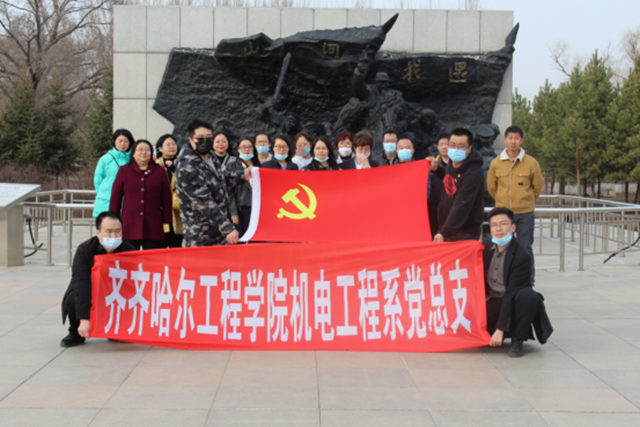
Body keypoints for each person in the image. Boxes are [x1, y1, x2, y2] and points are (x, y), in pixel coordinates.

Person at [60, 211, 136, 347]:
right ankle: (76, 332)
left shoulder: (129, 250)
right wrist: (83, 320)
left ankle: (115, 329)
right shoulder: (85, 250)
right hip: (92, 289)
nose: (113, 236)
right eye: (109, 232)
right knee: (73, 298)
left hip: (116, 292)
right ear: (98, 233)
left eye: (117, 231)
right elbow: (81, 284)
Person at [485, 207, 552, 357]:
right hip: (493, 299)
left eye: (503, 224)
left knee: (528, 296)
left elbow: (512, 293)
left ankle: (518, 339)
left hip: (512, 300)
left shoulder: (522, 255)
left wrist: (500, 329)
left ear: (513, 227)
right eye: (494, 225)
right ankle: (496, 332)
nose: (498, 229)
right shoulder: (485, 247)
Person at [176, 119, 251, 246]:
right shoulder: (187, 167)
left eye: (209, 138)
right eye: (200, 139)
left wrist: (243, 175)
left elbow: (218, 179)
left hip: (219, 231)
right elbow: (203, 202)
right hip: (201, 235)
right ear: (191, 139)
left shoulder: (210, 155)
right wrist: (228, 229)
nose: (205, 142)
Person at [486, 126, 545, 283]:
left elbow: (538, 185)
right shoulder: (496, 163)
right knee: (502, 247)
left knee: (525, 247)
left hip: (525, 213)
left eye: (517, 138)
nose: (513, 141)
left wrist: (526, 199)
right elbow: (492, 187)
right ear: (505, 140)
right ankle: (503, 279)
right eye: (510, 138)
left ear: (522, 140)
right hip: (504, 214)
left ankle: (528, 281)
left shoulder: (531, 163)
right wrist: (501, 200)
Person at [109, 139, 172, 250]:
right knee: (129, 257)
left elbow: (166, 198)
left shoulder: (160, 171)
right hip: (129, 224)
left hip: (153, 224)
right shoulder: (124, 170)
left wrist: (167, 222)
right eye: (140, 150)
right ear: (133, 153)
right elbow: (115, 198)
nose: (144, 152)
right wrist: (113, 220)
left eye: (147, 150)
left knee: (152, 258)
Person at [433, 128, 484, 242]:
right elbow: (451, 180)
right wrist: (436, 169)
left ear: (469, 149)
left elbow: (461, 206)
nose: (456, 149)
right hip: (448, 229)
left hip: (464, 233)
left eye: (461, 146)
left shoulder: (473, 174)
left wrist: (444, 232)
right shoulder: (453, 163)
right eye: (452, 145)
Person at [92, 129, 134, 217]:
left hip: (128, 201)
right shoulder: (105, 159)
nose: (123, 144)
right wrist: (103, 194)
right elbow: (98, 179)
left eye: (126, 141)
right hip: (106, 200)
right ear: (114, 141)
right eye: (120, 141)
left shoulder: (133, 159)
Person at [155, 134, 183, 248]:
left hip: (177, 208)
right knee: (159, 245)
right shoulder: (155, 165)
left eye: (173, 144)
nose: (172, 146)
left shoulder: (183, 162)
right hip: (160, 208)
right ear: (160, 148)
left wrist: (175, 168)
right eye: (168, 144)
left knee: (176, 244)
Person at [228, 136, 257, 237]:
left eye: (249, 147)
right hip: (242, 208)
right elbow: (229, 192)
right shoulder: (232, 165)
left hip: (257, 208)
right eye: (243, 147)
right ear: (238, 149)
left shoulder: (257, 165)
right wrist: (234, 213)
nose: (247, 149)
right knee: (243, 238)